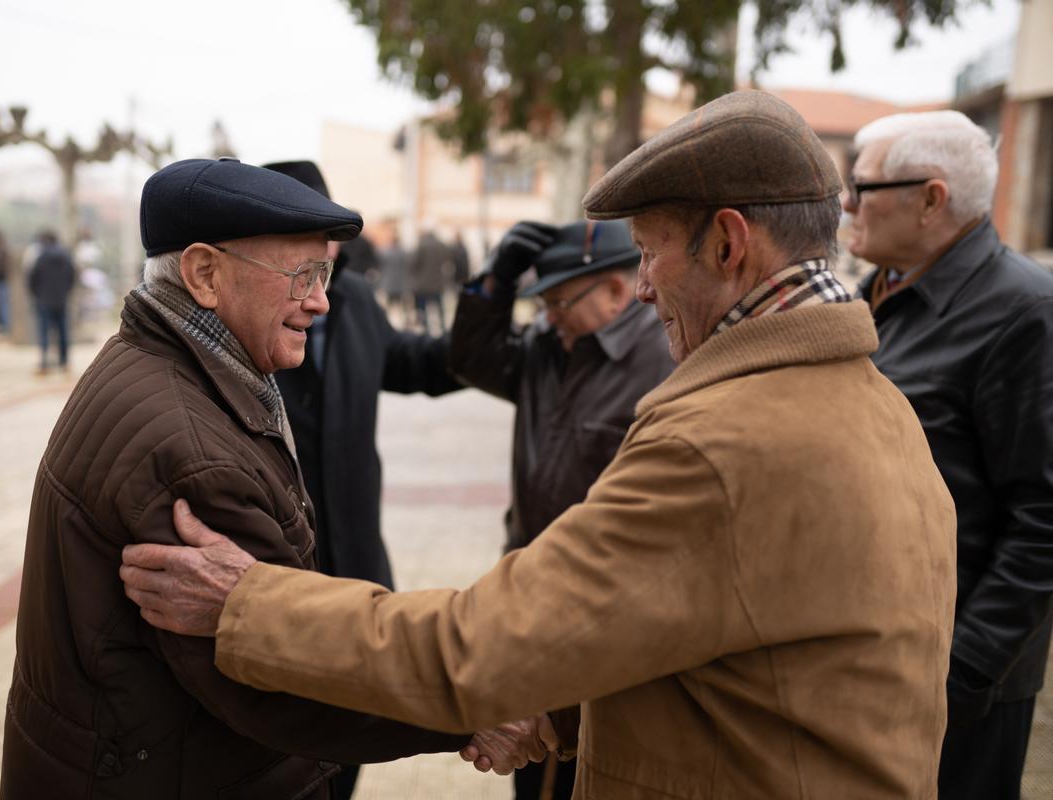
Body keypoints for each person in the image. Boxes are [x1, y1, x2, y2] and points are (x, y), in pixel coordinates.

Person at [121, 92, 960, 799]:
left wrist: (248, 605)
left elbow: (473, 649)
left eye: (648, 252)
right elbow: (736, 660)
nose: (641, 286)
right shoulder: (873, 402)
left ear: (730, 243)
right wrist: (560, 711)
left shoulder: (728, 438)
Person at [1, 158, 548, 800]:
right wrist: (470, 707)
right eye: (303, 274)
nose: (320, 299)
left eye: (328, 274)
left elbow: (432, 364)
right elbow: (269, 682)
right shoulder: (191, 453)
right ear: (205, 273)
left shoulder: (158, 355)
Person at [846, 110, 1053, 800]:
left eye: (863, 184)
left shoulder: (1025, 312)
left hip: (956, 690)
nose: (847, 202)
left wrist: (959, 674)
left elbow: (1045, 518)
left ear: (932, 200)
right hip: (870, 665)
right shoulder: (880, 295)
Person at [449, 218, 676, 799]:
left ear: (617, 291)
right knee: (532, 772)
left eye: (558, 301)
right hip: (529, 595)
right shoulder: (545, 351)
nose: (547, 314)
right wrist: (494, 281)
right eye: (541, 301)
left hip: (603, 613)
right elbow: (470, 357)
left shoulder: (663, 363)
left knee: (583, 770)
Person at [261, 159, 465, 799]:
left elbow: (417, 364)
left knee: (345, 751)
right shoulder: (241, 323)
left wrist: (492, 313)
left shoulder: (351, 300)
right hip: (275, 577)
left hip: (353, 567)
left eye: (324, 234)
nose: (319, 250)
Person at [27, 230, 76, 374]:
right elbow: (72, 276)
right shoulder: (66, 256)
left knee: (44, 332)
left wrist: (37, 294)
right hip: (61, 299)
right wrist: (65, 292)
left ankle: (44, 363)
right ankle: (64, 362)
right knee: (63, 332)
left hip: (44, 300)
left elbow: (32, 279)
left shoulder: (40, 257)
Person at [412, 227, 449, 335]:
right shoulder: (441, 245)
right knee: (439, 307)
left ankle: (426, 329)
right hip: (438, 282)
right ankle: (442, 327)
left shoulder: (421, 245)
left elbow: (414, 264)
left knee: (423, 308)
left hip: (423, 284)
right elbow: (447, 260)